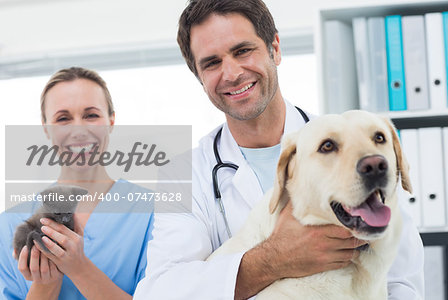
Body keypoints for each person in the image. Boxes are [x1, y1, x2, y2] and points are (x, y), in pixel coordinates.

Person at [133, 0, 424, 299]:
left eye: (242, 51)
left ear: (275, 48)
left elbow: (402, 281)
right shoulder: (183, 173)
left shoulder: (358, 149)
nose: (231, 73)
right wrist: (274, 260)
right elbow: (159, 291)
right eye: (212, 63)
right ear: (199, 77)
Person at [0, 67, 154, 299]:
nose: (79, 130)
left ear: (111, 121)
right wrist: (45, 284)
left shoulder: (153, 213)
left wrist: (79, 268)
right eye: (63, 119)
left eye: (91, 115)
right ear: (46, 129)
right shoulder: (9, 225)